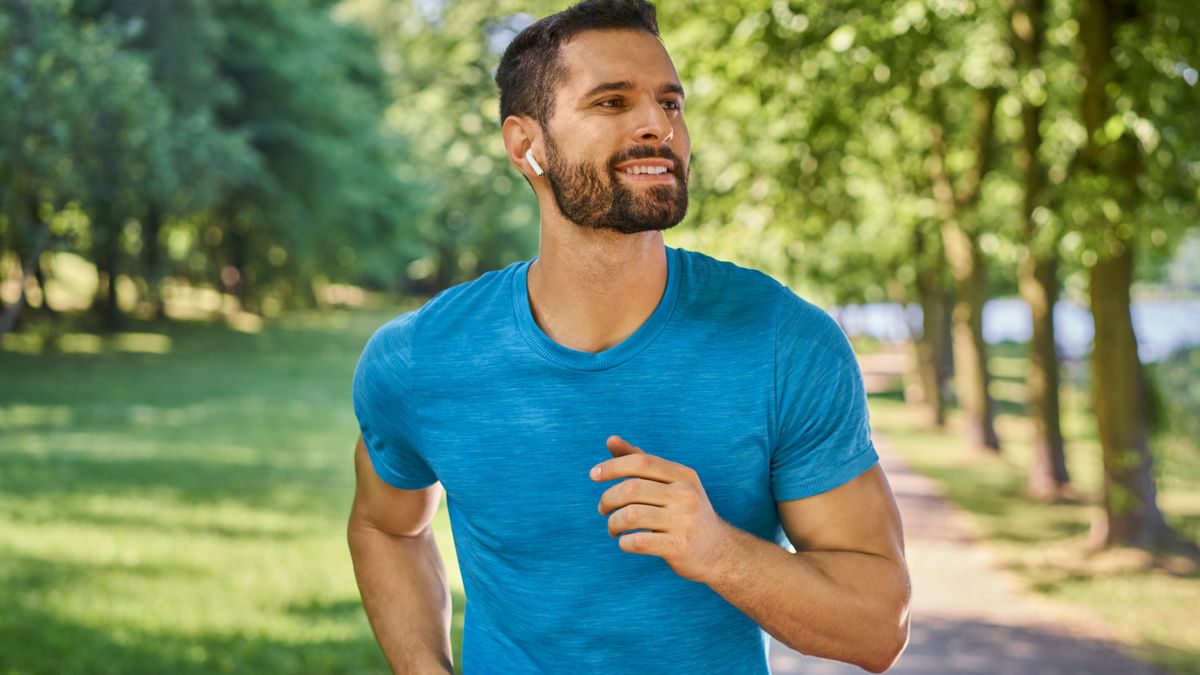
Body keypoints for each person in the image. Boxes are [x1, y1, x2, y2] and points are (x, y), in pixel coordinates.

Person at [347, 1, 911, 673]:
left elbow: (879, 624)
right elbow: (387, 525)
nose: (656, 125)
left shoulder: (784, 343)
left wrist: (718, 551)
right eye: (612, 102)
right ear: (525, 145)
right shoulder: (419, 360)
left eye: (670, 103)